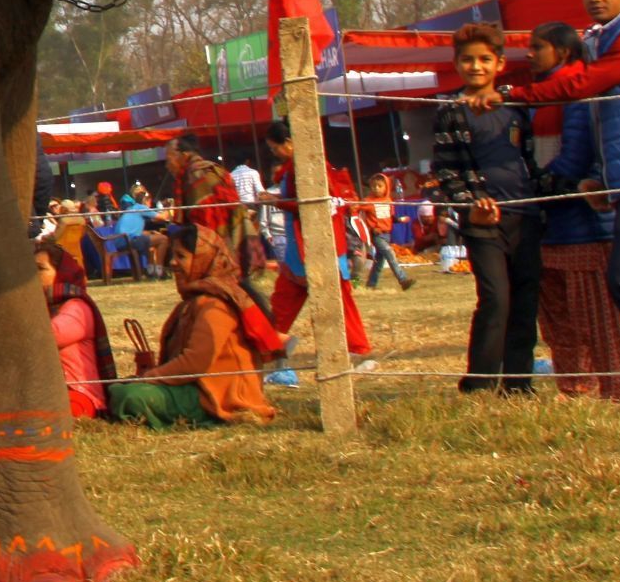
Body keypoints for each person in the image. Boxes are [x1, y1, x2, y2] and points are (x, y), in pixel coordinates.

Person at [477, 0, 620, 402]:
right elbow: (610, 121)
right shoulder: (602, 41)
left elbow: (585, 86)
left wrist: (509, 94)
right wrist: (601, 178)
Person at [432, 22, 551, 394]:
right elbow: (447, 171)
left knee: (525, 297)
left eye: (485, 59)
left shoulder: (516, 106)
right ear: (456, 64)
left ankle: (518, 384)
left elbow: (531, 159)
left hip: (526, 215)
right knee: (496, 297)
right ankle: (480, 383)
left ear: (499, 63)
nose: (476, 66)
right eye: (467, 60)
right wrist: (469, 206)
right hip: (483, 220)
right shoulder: (450, 112)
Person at [527, 21, 620, 399]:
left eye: (537, 47)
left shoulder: (577, 93)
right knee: (558, 317)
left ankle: (616, 388)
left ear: (564, 52)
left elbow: (574, 158)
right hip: (549, 223)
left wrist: (537, 186)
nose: (530, 54)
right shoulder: (538, 98)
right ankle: (573, 385)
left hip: (585, 224)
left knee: (597, 317)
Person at [108, 225, 281, 429]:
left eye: (181, 256)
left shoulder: (216, 306)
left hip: (217, 399)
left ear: (203, 260)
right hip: (196, 388)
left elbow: (194, 362)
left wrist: (148, 378)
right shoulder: (196, 301)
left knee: (129, 396)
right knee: (115, 388)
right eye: (173, 255)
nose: (172, 263)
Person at [264, 120, 373, 369]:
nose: (274, 154)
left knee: (334, 299)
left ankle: (356, 348)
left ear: (289, 143)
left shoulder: (307, 166)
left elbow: (312, 203)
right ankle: (267, 348)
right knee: (285, 302)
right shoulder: (301, 166)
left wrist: (276, 201)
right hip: (303, 247)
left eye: (275, 148)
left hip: (315, 245)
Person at [33, 242, 117, 418]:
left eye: (40, 269)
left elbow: (49, 336)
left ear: (62, 274)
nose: (34, 276)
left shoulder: (77, 307)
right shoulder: (46, 308)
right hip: (54, 392)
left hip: (81, 395)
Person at [361, 173, 416, 291]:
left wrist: (400, 219)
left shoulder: (388, 201)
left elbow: (390, 218)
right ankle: (403, 279)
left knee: (379, 263)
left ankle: (371, 284)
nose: (376, 189)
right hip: (377, 235)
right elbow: (357, 209)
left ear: (386, 187)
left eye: (379, 186)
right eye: (374, 186)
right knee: (390, 253)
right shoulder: (368, 202)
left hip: (387, 235)